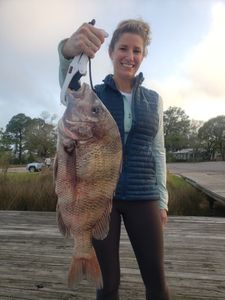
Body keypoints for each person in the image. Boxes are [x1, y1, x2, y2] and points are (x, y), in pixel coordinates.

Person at [58, 19, 171, 300]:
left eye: (137, 51)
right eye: (123, 48)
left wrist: (163, 200)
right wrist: (66, 52)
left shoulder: (154, 100)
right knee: (107, 284)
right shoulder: (94, 95)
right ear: (110, 52)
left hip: (144, 195)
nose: (129, 57)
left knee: (156, 281)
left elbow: (159, 151)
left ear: (143, 55)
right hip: (99, 201)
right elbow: (68, 87)